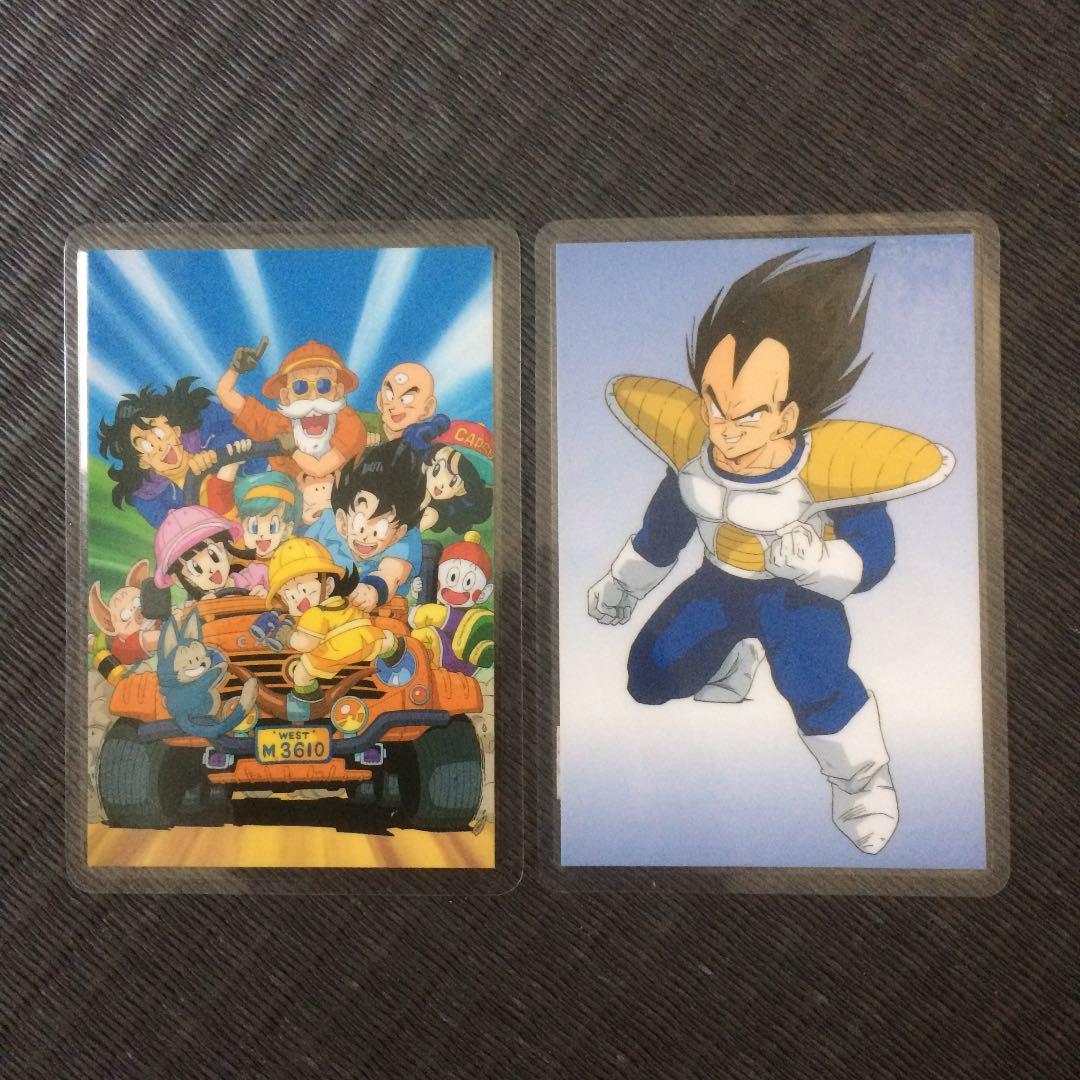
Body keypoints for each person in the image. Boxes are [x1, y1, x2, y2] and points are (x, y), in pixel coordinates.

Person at [587, 246, 953, 855]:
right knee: (649, 679)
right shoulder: (692, 450)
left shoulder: (835, 466)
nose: (724, 428)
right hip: (718, 584)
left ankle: (863, 784)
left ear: (788, 416)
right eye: (713, 402)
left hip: (797, 600)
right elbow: (663, 528)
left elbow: (875, 553)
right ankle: (734, 654)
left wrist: (819, 564)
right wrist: (623, 584)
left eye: (748, 414)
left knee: (814, 684)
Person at [97, 376, 263, 526]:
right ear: (142, 462)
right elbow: (178, 537)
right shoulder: (150, 498)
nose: (160, 446)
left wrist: (218, 457)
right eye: (147, 446)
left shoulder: (207, 426)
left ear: (175, 430)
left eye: (159, 433)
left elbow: (253, 441)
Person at [262, 537, 409, 702]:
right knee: (386, 638)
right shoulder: (345, 601)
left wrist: (288, 636)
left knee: (301, 674)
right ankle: (392, 649)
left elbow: (306, 644)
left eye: (303, 589)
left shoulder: (313, 614)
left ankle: (310, 699)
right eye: (290, 596)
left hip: (332, 655)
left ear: (329, 585)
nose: (298, 599)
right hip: (367, 642)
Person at [216, 338, 366, 479]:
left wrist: (292, 450)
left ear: (338, 392)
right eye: (300, 387)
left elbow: (320, 470)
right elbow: (225, 393)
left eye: (323, 385)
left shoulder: (350, 423)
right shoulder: (279, 424)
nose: (313, 396)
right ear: (285, 396)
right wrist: (235, 369)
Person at [305, 440, 427, 610]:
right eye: (360, 524)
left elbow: (391, 573)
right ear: (342, 521)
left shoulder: (405, 540)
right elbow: (300, 554)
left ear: (397, 534)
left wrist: (372, 590)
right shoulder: (326, 524)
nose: (366, 535)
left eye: (379, 530)